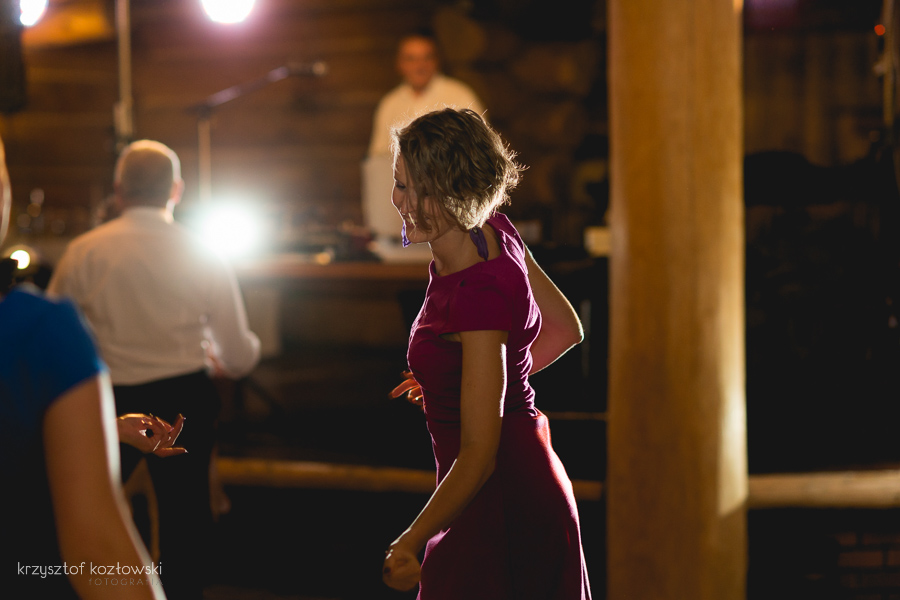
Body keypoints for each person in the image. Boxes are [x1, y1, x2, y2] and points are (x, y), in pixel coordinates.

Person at [381, 108, 592, 599]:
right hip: (515, 476)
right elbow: (565, 329)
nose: (401, 202)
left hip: (500, 498)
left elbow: (480, 453)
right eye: (399, 183)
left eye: (418, 190)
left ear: (459, 192)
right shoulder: (495, 228)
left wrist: (410, 540)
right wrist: (469, 386)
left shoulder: (477, 292)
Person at [47, 139, 261, 600]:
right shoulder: (203, 251)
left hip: (108, 402)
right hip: (183, 401)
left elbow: (51, 339)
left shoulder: (84, 251)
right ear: (176, 190)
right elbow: (239, 356)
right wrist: (225, 351)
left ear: (118, 190)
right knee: (185, 523)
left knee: (89, 510)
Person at [0, 138, 166, 599]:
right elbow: (99, 552)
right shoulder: (40, 330)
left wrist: (104, 427)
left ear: (119, 190)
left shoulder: (80, 254)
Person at [368, 32, 484, 158]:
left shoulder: (460, 95)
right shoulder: (390, 103)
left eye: (427, 58)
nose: (420, 65)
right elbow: (378, 155)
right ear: (399, 64)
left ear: (437, 61)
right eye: (411, 59)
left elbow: (480, 146)